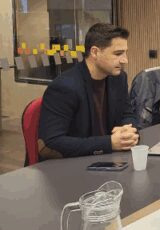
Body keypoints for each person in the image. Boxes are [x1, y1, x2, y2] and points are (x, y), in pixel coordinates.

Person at [39, 23, 139, 159]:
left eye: (125, 53)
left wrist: (128, 130)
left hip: (109, 159)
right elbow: (52, 142)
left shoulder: (119, 79)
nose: (125, 60)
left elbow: (128, 114)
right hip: (72, 164)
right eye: (118, 54)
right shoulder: (64, 87)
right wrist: (109, 143)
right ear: (95, 52)